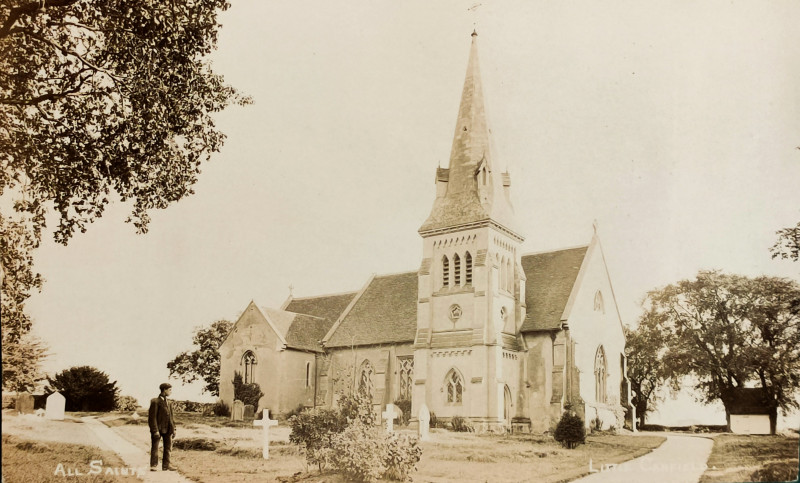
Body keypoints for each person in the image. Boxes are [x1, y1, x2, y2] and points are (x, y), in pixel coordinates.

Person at [148, 382, 177, 471]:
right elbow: (152, 418)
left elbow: (172, 417)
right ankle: (154, 465)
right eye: (170, 390)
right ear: (164, 390)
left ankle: (166, 465)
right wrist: (155, 430)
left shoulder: (169, 402)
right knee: (155, 447)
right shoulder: (155, 401)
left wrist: (174, 429)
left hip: (168, 429)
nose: (171, 392)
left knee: (168, 448)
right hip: (158, 429)